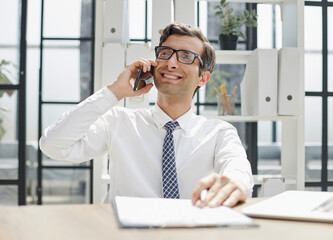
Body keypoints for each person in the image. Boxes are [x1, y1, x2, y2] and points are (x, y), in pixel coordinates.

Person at [40, 22, 253, 208]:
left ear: (203, 79)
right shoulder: (118, 122)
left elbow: (237, 167)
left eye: (186, 57)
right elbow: (53, 145)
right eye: (165, 53)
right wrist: (114, 91)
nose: (171, 62)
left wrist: (235, 182)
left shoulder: (218, 133)